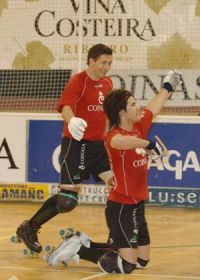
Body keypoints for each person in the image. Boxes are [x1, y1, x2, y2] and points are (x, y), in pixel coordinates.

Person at [44, 70, 181, 273]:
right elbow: (121, 142)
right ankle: (78, 249)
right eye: (133, 104)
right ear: (121, 112)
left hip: (137, 205)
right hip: (122, 208)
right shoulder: (113, 136)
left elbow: (154, 106)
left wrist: (168, 86)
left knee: (141, 262)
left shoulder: (138, 126)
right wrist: (149, 144)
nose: (139, 107)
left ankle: (84, 242)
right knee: (126, 266)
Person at [15, 44, 114, 253]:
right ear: (91, 61)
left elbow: (107, 114)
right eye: (103, 62)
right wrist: (72, 121)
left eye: (109, 63)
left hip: (98, 147)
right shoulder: (78, 81)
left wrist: (110, 137)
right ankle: (29, 227)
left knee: (118, 185)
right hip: (76, 146)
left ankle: (116, 237)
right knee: (67, 201)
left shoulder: (107, 83)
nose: (107, 67)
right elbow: (66, 107)